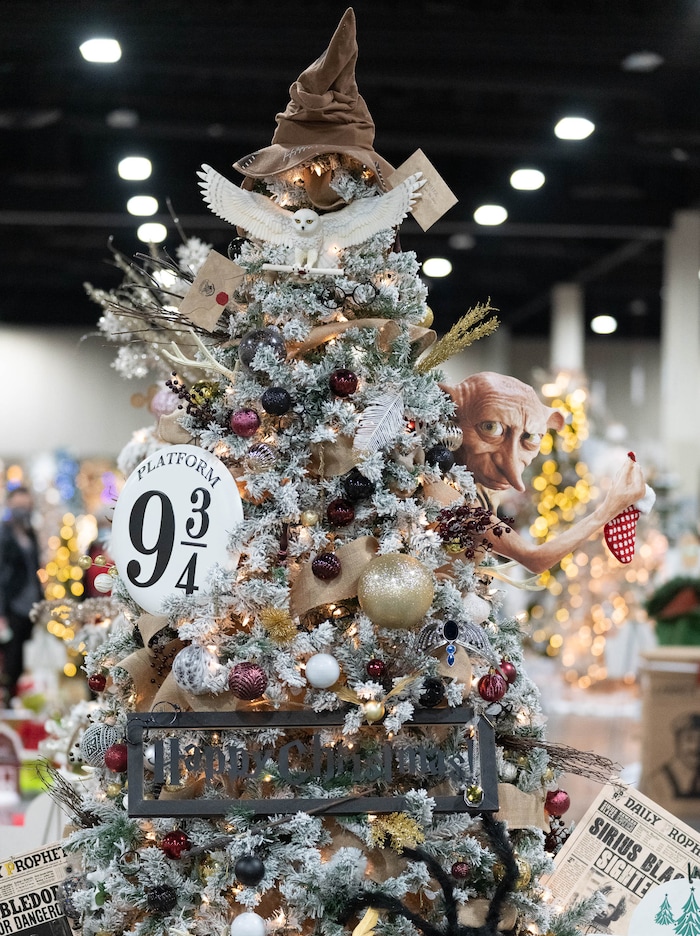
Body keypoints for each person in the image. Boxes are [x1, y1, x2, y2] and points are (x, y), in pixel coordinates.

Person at [442, 371, 651, 574]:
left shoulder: (473, 491)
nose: (512, 463)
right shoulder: (446, 494)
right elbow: (534, 558)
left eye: (530, 438)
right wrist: (608, 510)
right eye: (490, 428)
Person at [0, 487, 42, 704]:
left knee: (28, 656)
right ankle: (8, 699)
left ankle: (21, 700)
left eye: (27, 506)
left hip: (31, 606)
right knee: (11, 658)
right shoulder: (3, 533)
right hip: (11, 606)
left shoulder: (30, 533)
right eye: (19, 506)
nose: (23, 511)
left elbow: (35, 569)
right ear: (9, 505)